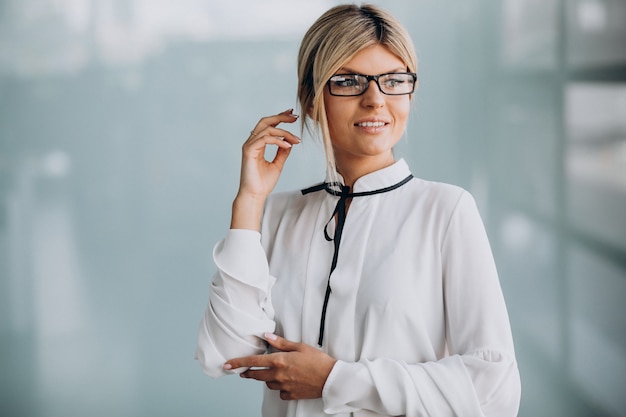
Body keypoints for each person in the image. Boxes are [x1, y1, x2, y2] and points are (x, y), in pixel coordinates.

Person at [195, 3, 521, 416]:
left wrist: (335, 379)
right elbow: (224, 354)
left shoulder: (446, 210)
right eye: (349, 81)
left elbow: (496, 389)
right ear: (311, 99)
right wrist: (249, 203)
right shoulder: (276, 214)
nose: (375, 100)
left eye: (394, 80)